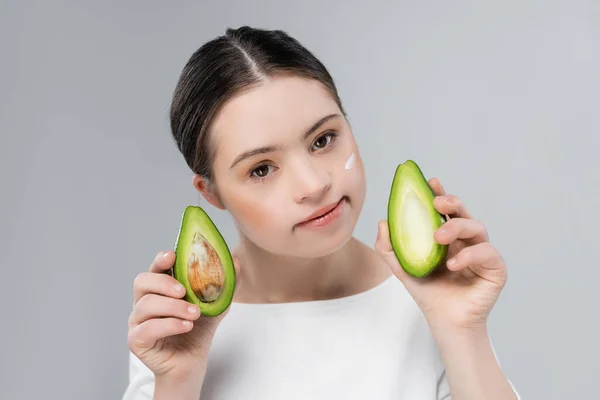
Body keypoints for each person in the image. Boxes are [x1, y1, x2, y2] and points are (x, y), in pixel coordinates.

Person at [123, 26, 520, 400]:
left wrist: (461, 330)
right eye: (261, 169)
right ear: (211, 193)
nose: (314, 185)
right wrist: (176, 382)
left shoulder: (431, 301)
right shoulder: (175, 328)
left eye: (323, 139)